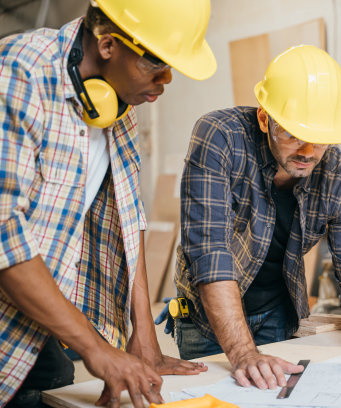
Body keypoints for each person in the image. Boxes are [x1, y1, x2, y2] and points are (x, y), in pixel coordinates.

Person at [0, 1, 216, 407]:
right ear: (107, 44)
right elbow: (4, 237)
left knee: (57, 390)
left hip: (40, 319)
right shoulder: (20, 73)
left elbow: (127, 216)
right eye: (157, 66)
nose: (166, 81)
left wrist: (144, 337)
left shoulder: (118, 106)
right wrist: (97, 350)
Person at [163, 45, 341, 390]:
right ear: (264, 119)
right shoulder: (220, 138)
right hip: (209, 322)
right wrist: (244, 353)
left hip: (278, 315)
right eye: (292, 134)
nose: (307, 152)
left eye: (318, 140)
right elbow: (210, 256)